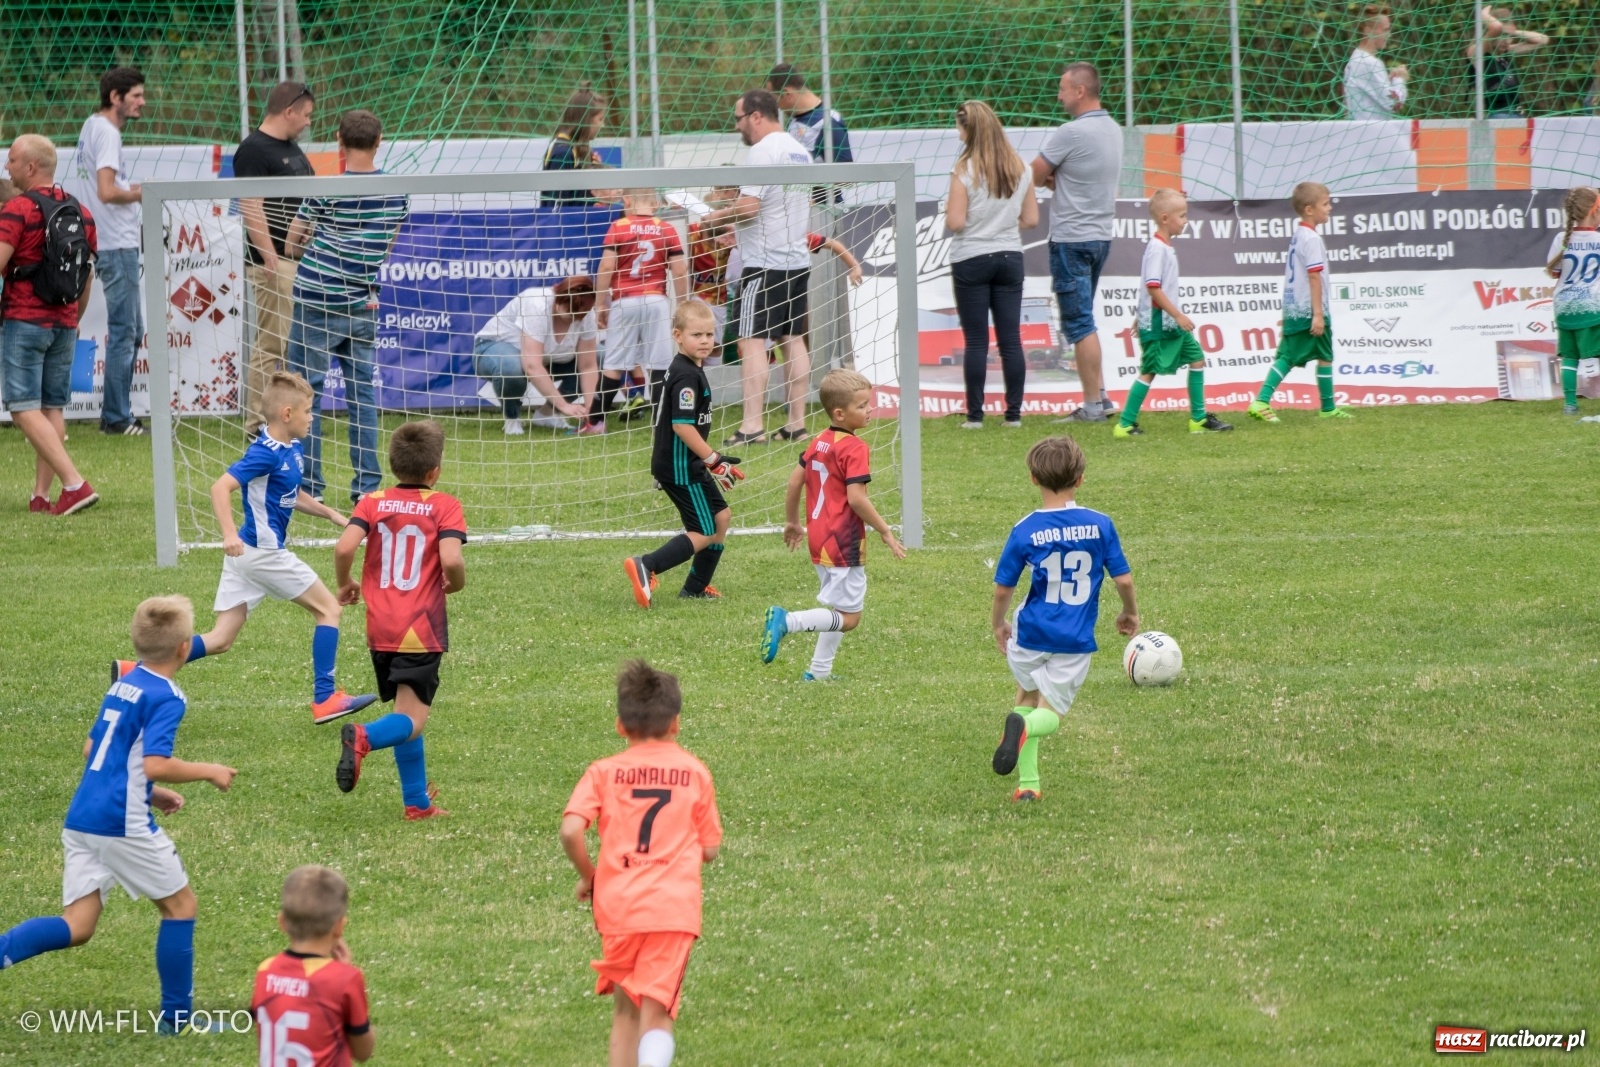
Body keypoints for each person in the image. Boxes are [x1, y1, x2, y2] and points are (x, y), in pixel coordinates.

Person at [0, 595, 238, 1035]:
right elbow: (155, 762)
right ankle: (178, 1020)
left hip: (83, 817)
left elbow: (94, 749)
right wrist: (210, 771)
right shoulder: (168, 696)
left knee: (77, 926)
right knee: (181, 907)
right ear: (185, 647)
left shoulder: (124, 684)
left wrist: (152, 793)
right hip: (119, 822)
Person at [115, 373, 376, 721]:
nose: (312, 417)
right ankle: (325, 698)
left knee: (221, 639)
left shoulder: (292, 448)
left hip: (247, 560)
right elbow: (220, 488)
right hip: (262, 555)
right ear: (287, 414)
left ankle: (135, 670)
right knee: (329, 610)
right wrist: (228, 534)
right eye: (308, 411)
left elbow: (291, 492)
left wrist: (331, 514)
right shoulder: (263, 453)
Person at [560, 660, 722, 1067]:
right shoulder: (695, 772)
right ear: (676, 724)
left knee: (625, 1011)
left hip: (617, 904)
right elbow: (709, 849)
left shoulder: (603, 772)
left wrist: (590, 876)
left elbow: (571, 830)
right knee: (658, 1014)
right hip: (671, 908)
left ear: (620, 726)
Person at [989, 437, 1138, 802]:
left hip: (1029, 635)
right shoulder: (1100, 524)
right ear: (1081, 479)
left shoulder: (1025, 528)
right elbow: (1124, 580)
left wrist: (998, 623)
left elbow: (1003, 588)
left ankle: (1029, 785)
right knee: (1048, 715)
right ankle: (1025, 732)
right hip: (1073, 640)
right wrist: (1129, 611)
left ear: (1033, 479)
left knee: (1026, 695)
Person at [333, 420, 465, 821]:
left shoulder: (372, 501)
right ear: (434, 472)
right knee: (411, 719)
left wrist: (345, 583)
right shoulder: (444, 505)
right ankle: (364, 737)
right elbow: (452, 559)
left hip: (380, 626)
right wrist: (456, 582)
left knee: (405, 712)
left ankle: (416, 803)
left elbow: (344, 548)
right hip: (420, 628)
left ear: (392, 464)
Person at [285, 109, 409, 504]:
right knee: (361, 396)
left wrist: (318, 248)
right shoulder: (397, 192)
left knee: (306, 395)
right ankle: (366, 488)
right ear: (379, 141)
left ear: (339, 139)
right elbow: (386, 248)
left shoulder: (325, 189)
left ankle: (310, 488)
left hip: (317, 299)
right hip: (362, 301)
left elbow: (291, 243)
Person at [760, 368, 905, 680]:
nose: (869, 410)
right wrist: (884, 530)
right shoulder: (855, 447)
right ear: (840, 413)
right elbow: (857, 499)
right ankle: (788, 622)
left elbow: (794, 482)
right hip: (843, 540)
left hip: (819, 537)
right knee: (850, 618)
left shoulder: (818, 441)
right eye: (862, 406)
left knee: (840, 609)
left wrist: (792, 522)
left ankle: (819, 672)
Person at [701, 90, 814, 446]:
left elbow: (750, 208)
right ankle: (796, 423)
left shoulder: (763, 150)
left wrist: (716, 217)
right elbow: (790, 206)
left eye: (738, 119)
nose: (737, 127)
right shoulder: (800, 151)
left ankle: (752, 426)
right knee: (791, 339)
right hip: (796, 261)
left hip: (765, 263)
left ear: (755, 116)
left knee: (750, 342)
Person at [0, 134, 100, 516]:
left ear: (29, 167)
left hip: (25, 320)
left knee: (22, 408)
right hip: (65, 321)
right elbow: (86, 277)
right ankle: (41, 497)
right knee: (51, 407)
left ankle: (74, 485)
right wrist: (74, 319)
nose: (6, 166)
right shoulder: (81, 212)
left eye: (11, 160)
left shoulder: (18, 209)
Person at [622, 301, 743, 607]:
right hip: (680, 467)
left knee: (722, 516)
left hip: (688, 463)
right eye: (696, 335)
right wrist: (714, 460)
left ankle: (695, 588)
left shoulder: (691, 369)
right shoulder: (686, 375)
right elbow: (682, 426)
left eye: (709, 334)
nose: (705, 341)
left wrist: (708, 460)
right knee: (704, 530)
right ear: (677, 335)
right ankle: (646, 564)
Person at [1031, 63, 1121, 423]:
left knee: (1080, 324)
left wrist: (1053, 176)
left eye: (1063, 88)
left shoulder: (1070, 132)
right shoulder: (1113, 129)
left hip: (1072, 239)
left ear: (1080, 91)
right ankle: (1102, 397)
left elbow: (1033, 174)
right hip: (1100, 237)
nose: (1059, 96)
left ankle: (1092, 406)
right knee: (1084, 320)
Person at [945, 100, 1039, 428]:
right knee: (1010, 339)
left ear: (969, 129)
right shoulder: (1021, 168)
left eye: (959, 126)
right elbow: (1031, 219)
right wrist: (1003, 223)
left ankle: (975, 416)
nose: (957, 132)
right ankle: (1013, 415)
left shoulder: (964, 169)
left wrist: (970, 218)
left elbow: (955, 222)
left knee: (976, 341)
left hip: (971, 256)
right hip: (1010, 256)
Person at [1114, 190, 1233, 438]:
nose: (1186, 220)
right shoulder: (1157, 248)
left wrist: (1141, 314)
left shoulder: (1164, 247)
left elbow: (1150, 288)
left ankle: (1199, 419)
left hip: (1167, 322)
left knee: (1197, 358)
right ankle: (1124, 424)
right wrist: (1177, 315)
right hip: (1160, 323)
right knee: (1149, 370)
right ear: (1165, 218)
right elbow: (1153, 287)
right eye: (1182, 215)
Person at [234, 81, 316, 438]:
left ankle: (289, 418)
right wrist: (269, 257)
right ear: (289, 111)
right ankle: (257, 424)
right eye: (306, 115)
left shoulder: (291, 148)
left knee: (291, 344)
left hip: (299, 261)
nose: (309, 122)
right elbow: (251, 205)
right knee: (271, 344)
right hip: (274, 264)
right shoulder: (253, 150)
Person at [75, 67, 146, 437]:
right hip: (116, 244)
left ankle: (117, 414)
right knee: (125, 331)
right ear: (115, 97)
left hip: (109, 241)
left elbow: (105, 186)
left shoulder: (92, 126)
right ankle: (116, 418)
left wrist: (130, 189)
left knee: (132, 331)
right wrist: (141, 194)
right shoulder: (107, 132)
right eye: (136, 96)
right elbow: (106, 191)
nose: (142, 102)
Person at [1247, 182, 1355, 422]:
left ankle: (1328, 408)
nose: (1329, 208)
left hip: (1297, 307)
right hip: (1309, 309)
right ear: (1309, 209)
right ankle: (1262, 401)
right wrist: (1317, 314)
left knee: (1318, 354)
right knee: (1294, 356)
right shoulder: (1311, 239)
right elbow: (1313, 276)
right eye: (1325, 204)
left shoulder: (1299, 235)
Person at [251, 865, 375, 1063]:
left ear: (281, 922)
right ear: (339, 926)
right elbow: (363, 1051)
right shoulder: (345, 979)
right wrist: (345, 972)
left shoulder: (265, 970)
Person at [594, 190, 688, 431]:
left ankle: (595, 422)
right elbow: (679, 270)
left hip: (624, 300)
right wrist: (683, 303)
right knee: (659, 363)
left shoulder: (618, 226)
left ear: (626, 200)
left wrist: (599, 303)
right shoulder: (666, 228)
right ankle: (661, 423)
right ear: (656, 204)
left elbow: (606, 266)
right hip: (656, 300)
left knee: (614, 363)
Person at [473, 275, 599, 435]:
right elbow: (532, 366)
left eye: (579, 316)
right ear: (560, 299)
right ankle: (512, 418)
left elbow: (588, 366)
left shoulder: (587, 314)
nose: (575, 319)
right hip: (490, 349)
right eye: (571, 313)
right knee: (511, 367)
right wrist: (564, 406)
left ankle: (546, 415)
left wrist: (591, 410)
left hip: (544, 359)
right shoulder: (536, 304)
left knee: (600, 357)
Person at [1544, 186, 1600, 417]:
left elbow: (1554, 272)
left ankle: (1570, 404)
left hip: (1564, 306)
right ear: (1594, 211)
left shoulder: (1561, 239)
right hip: (1592, 306)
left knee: (1569, 356)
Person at [1466, 6, 1548, 118]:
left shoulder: (1505, 52)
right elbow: (1496, 27)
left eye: (1509, 36)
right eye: (1502, 35)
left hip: (1517, 114)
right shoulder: (1476, 52)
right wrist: (1483, 15)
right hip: (1496, 116)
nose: (1507, 41)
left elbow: (1543, 40)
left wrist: (1513, 31)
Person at [767, 63, 853, 165]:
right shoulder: (794, 120)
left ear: (787, 94)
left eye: (775, 99)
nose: (777, 106)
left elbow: (846, 173)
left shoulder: (829, 123)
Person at [543, 83, 611, 208]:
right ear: (586, 120)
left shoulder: (576, 149)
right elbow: (557, 208)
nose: (603, 125)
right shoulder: (562, 154)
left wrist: (594, 171)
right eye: (600, 119)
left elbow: (577, 197)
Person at [1344, 4, 1408, 120]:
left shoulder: (1356, 58)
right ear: (1368, 31)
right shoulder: (1369, 63)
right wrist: (1399, 79)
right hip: (1371, 130)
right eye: (1385, 30)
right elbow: (1394, 104)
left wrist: (1388, 81)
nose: (1389, 35)